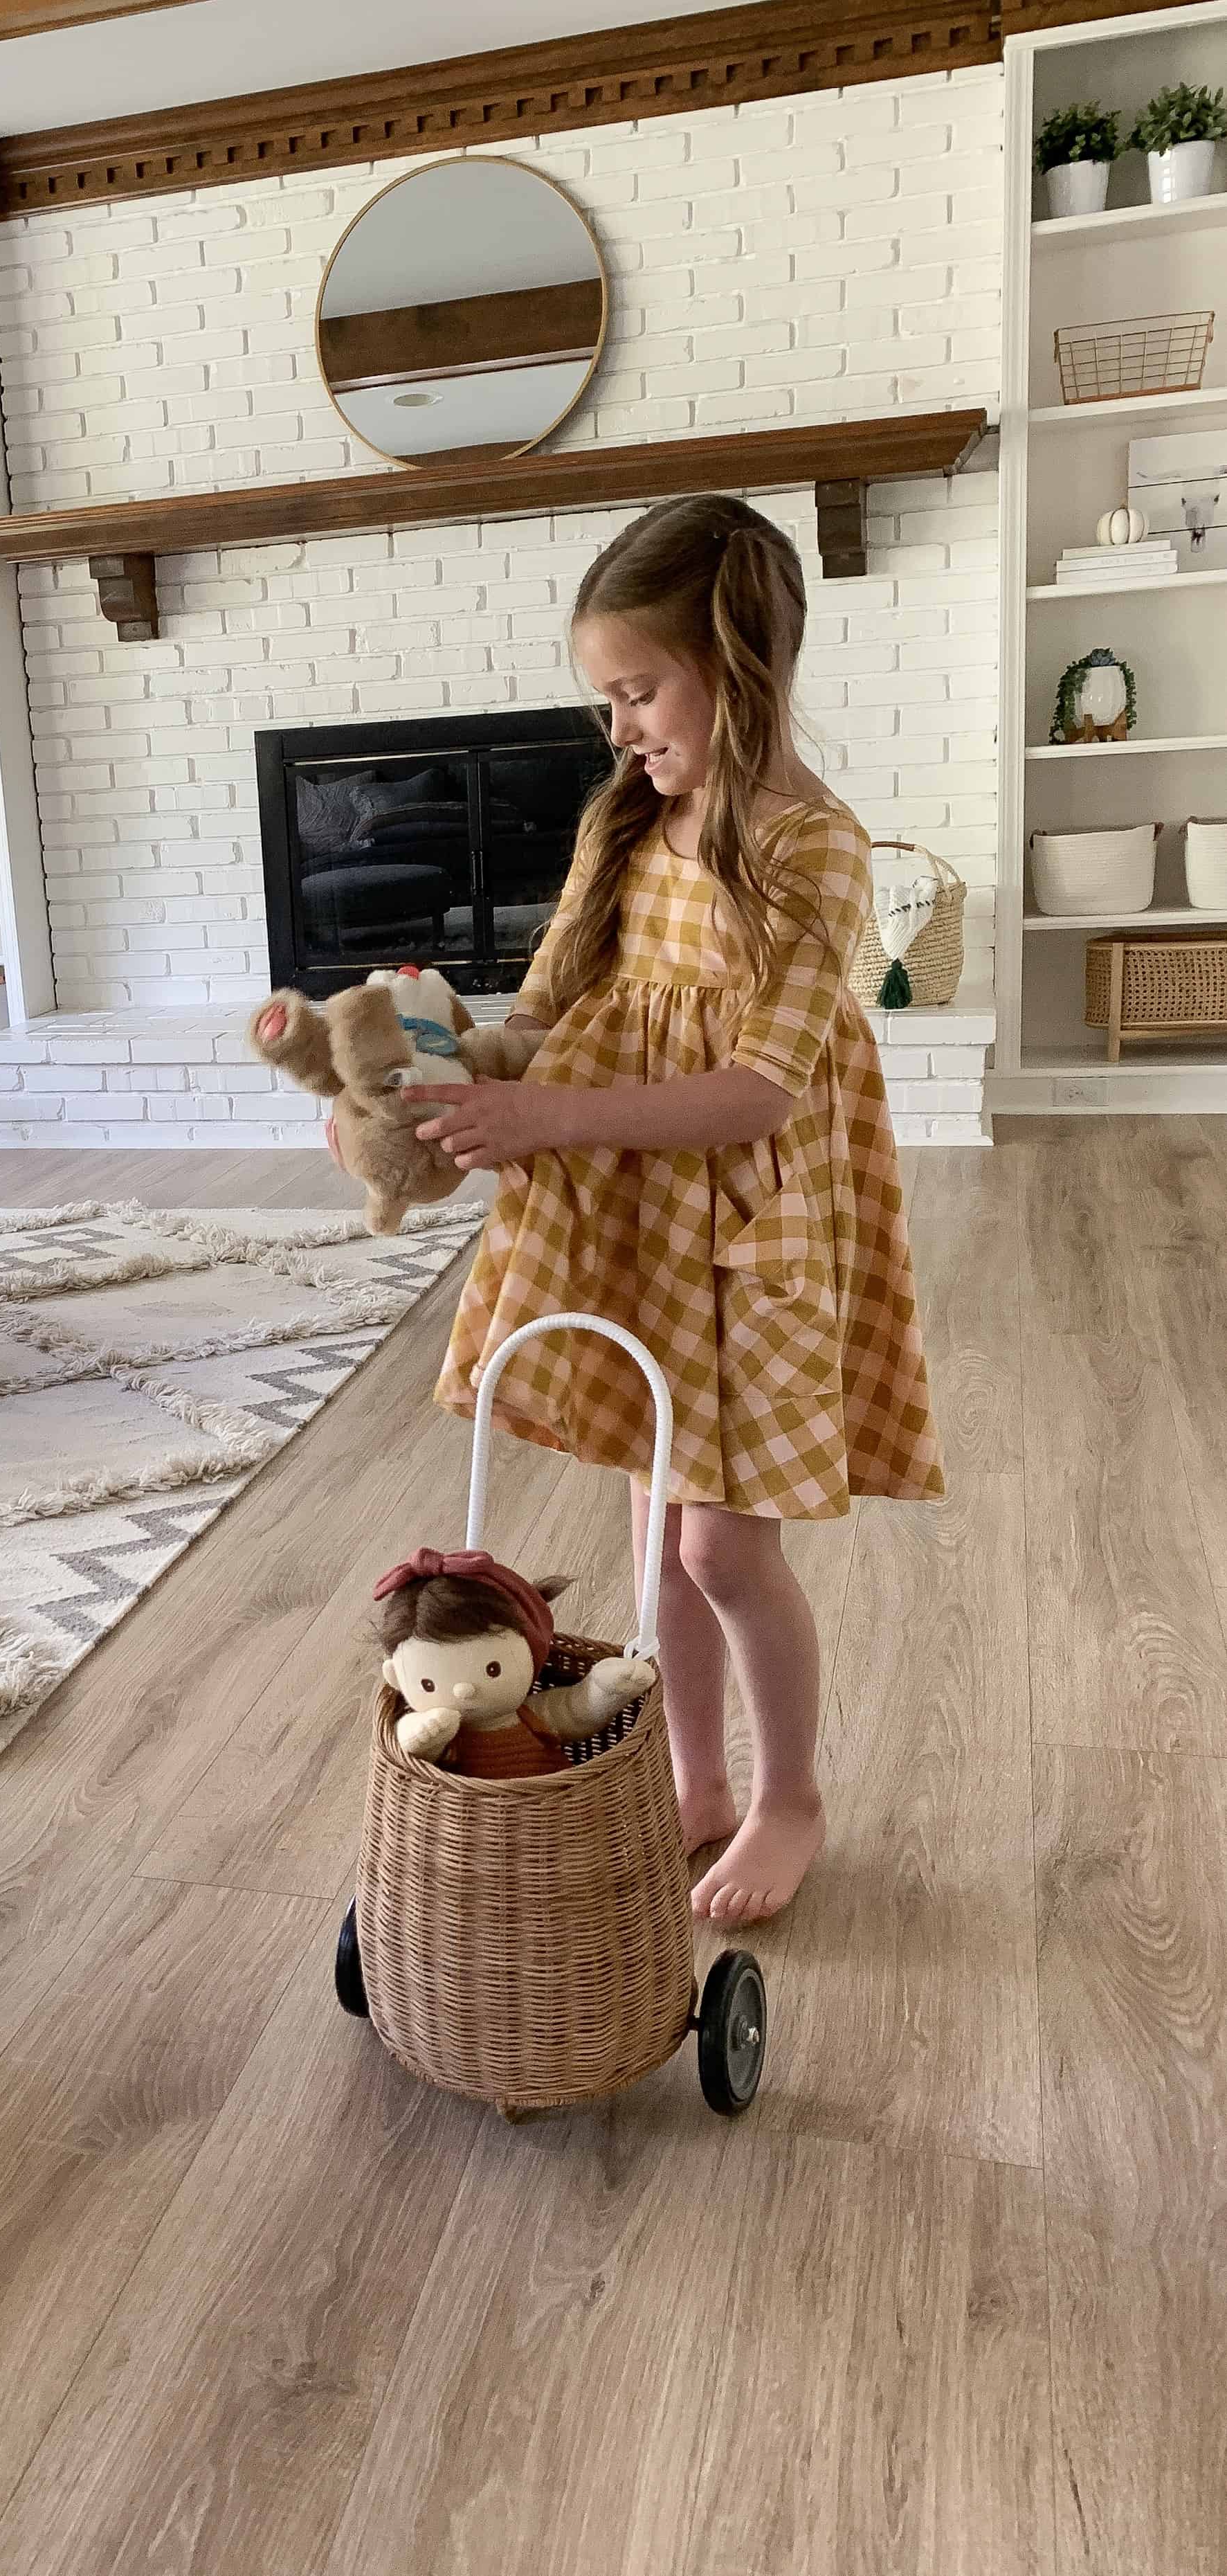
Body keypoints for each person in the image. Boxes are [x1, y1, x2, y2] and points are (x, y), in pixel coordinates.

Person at [406, 491, 943, 1925]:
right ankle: (694, 1778)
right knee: (657, 1533)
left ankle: (790, 1797)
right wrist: (455, 1080)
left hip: (754, 1223)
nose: (621, 726)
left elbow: (761, 1092)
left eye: (639, 689)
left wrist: (552, 1116)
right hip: (643, 1220)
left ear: (736, 657)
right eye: (605, 699)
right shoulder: (628, 820)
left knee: (721, 1544)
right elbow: (551, 1012)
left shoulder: (810, 841)